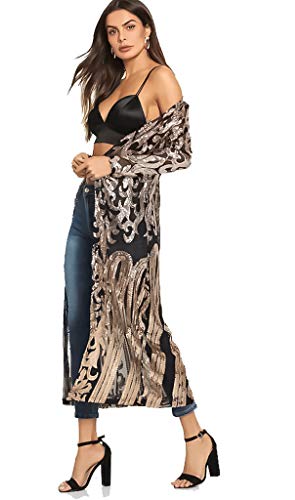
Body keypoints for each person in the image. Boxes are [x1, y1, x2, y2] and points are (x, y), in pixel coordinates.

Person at [59, 1, 220, 492]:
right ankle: (88, 443)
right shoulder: (112, 79)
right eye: (112, 31)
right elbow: (110, 144)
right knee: (81, 319)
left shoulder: (160, 78)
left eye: (130, 27)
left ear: (147, 31)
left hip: (131, 225)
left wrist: (114, 165)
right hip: (89, 208)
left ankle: (195, 436)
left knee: (142, 323)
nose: (122, 37)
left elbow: (180, 152)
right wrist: (89, 162)